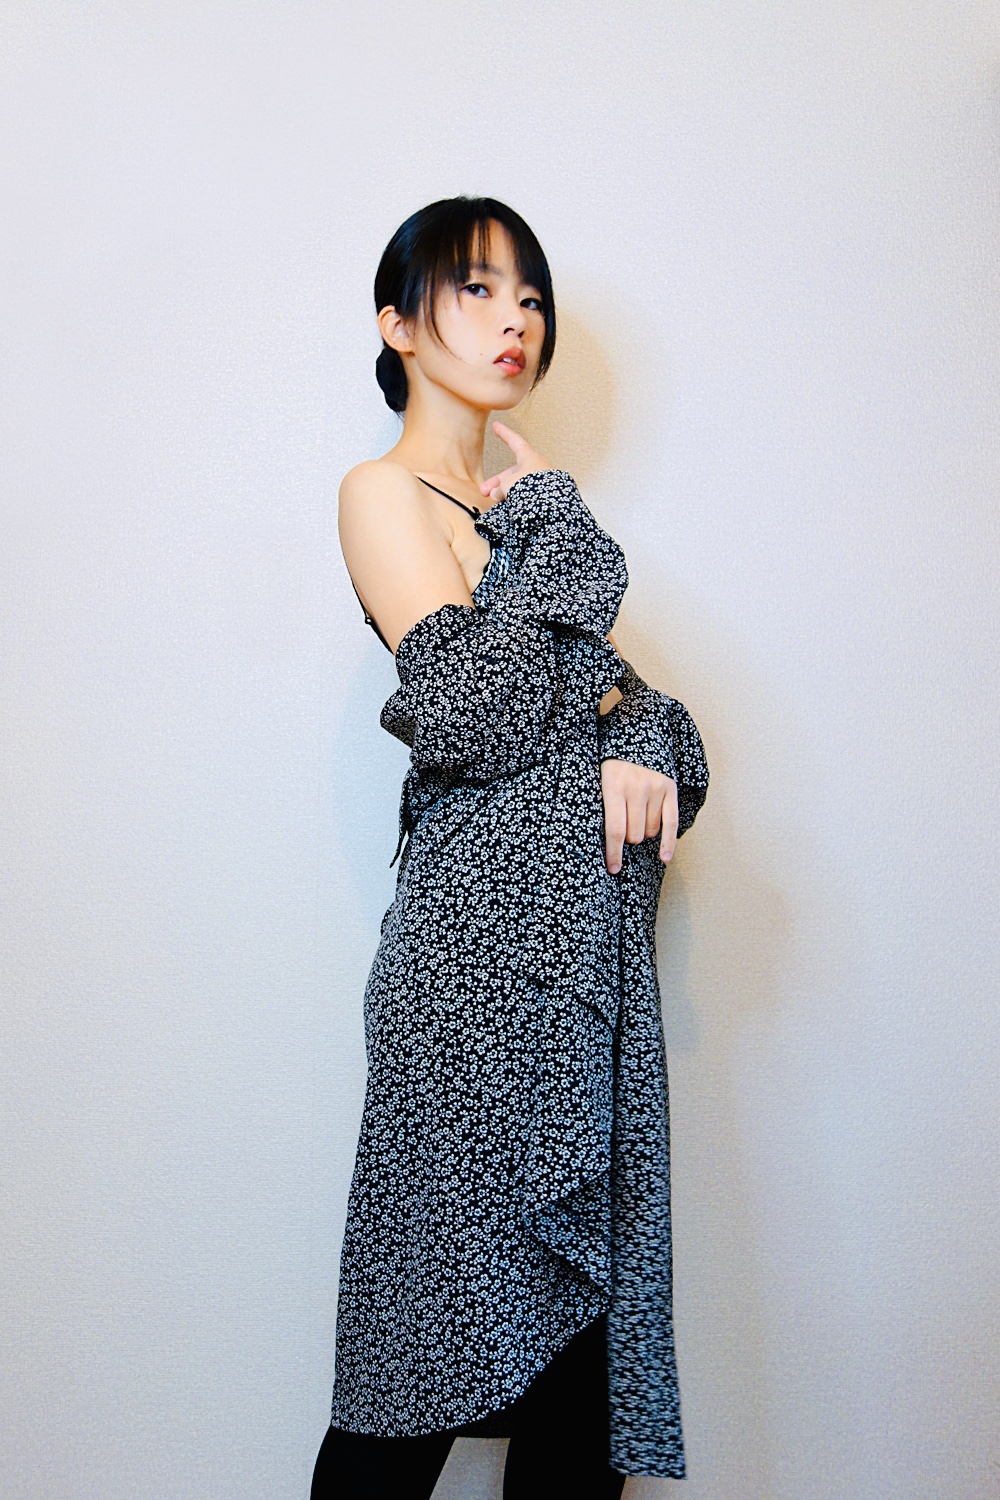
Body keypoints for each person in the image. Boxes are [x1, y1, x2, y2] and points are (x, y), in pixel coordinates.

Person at [311, 196, 709, 1499]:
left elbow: (663, 738)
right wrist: (557, 525)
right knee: (412, 1368)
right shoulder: (385, 494)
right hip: (473, 981)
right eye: (477, 289)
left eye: (529, 296)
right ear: (397, 324)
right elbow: (482, 713)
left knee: (579, 1402)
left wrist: (637, 737)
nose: (515, 319)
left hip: (588, 979)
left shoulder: (518, 525)